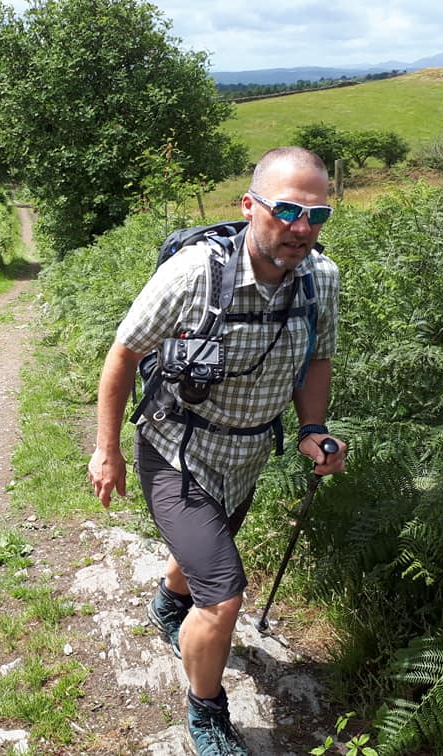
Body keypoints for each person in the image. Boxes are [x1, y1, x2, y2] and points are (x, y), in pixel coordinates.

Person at [87, 146, 348, 755]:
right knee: (224, 591)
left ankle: (167, 602)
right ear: (250, 205)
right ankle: (206, 712)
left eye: (317, 214)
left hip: (248, 452)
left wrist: (313, 427)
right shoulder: (194, 272)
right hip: (175, 449)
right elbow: (123, 354)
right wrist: (108, 451)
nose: (301, 228)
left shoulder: (321, 279)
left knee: (209, 551)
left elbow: (318, 357)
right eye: (286, 210)